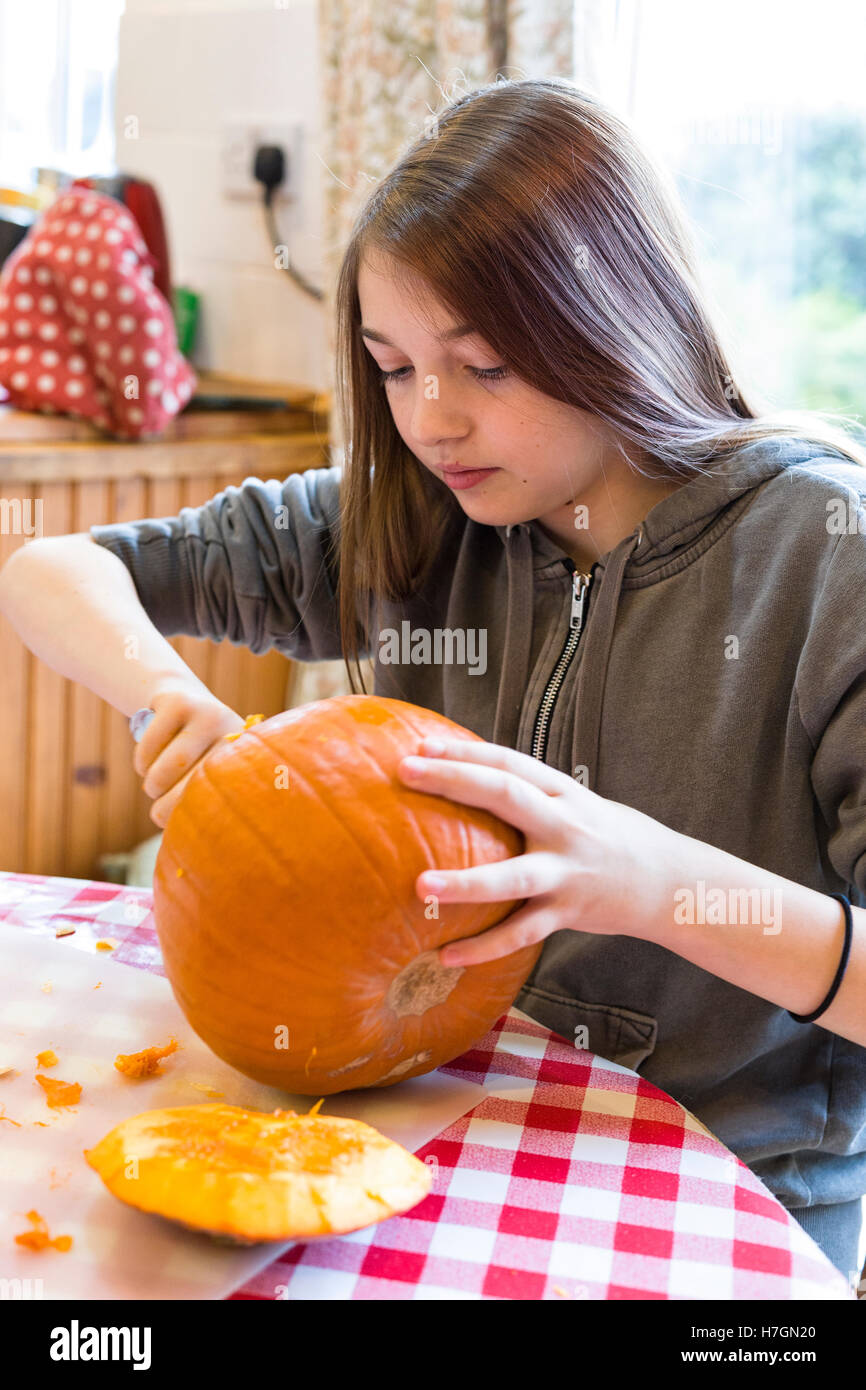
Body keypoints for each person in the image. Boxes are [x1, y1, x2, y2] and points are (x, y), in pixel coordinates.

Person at [2, 76, 865, 1285]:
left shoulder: (824, 553)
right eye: (392, 365)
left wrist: (649, 881)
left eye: (486, 366)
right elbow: (50, 569)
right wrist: (162, 693)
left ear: (621, 318)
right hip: (444, 1135)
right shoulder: (415, 514)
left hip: (730, 1200)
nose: (431, 420)